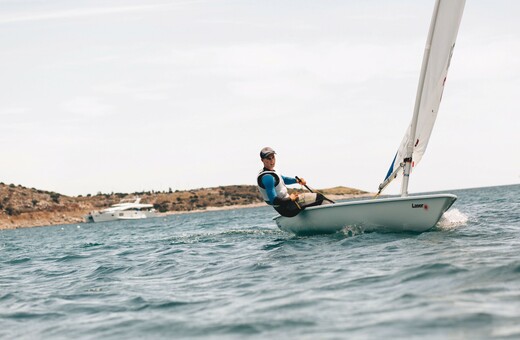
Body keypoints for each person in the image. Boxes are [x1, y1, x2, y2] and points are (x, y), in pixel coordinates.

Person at [257, 147, 326, 217]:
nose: (272, 161)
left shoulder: (272, 171)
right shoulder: (268, 178)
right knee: (319, 197)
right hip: (287, 208)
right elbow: (274, 201)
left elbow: (283, 179)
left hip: (288, 205)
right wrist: (289, 198)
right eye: (269, 158)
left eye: (273, 157)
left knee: (312, 200)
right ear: (262, 160)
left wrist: (297, 180)